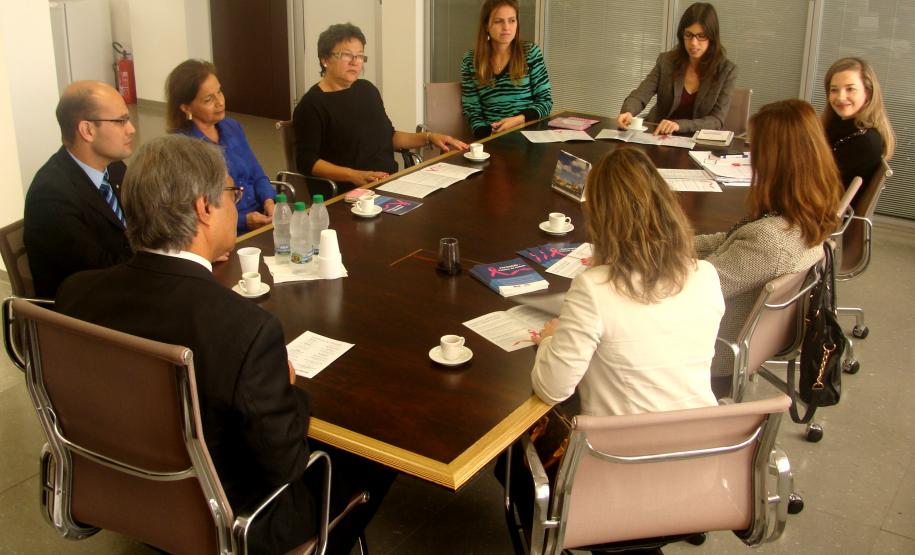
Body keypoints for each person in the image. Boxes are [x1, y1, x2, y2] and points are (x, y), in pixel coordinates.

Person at [55, 135, 393, 555]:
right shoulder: (245, 330)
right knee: (377, 454)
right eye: (232, 193)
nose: (236, 203)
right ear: (204, 208)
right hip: (236, 520)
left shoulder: (76, 294)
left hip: (119, 492)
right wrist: (287, 389)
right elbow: (285, 463)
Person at [531, 147, 724, 416]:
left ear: (600, 218)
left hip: (621, 442)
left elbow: (552, 390)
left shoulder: (593, 289)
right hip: (700, 435)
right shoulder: (706, 275)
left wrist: (550, 340)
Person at [696, 99, 842, 396]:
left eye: (756, 149)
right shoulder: (805, 214)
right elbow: (728, 241)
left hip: (712, 350)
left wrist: (636, 260)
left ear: (775, 160)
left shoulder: (769, 241)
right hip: (752, 339)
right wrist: (667, 244)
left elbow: (691, 289)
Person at [293, 23, 466, 192]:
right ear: (324, 59)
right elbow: (306, 161)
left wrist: (429, 137)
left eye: (360, 56)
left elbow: (388, 136)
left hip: (389, 183)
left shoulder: (367, 89)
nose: (355, 62)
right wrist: (354, 175)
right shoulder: (311, 104)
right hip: (349, 192)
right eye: (346, 55)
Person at [23, 80, 135, 298]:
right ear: (87, 130)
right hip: (85, 307)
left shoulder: (115, 168)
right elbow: (99, 272)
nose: (131, 129)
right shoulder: (51, 196)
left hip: (122, 287)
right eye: (121, 121)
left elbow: (145, 223)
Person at [165, 59, 275, 234]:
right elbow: (197, 211)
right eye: (209, 99)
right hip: (226, 231)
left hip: (262, 216)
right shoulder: (182, 147)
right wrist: (243, 221)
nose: (220, 102)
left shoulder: (232, 127)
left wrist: (269, 201)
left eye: (219, 92)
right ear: (186, 108)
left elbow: (257, 174)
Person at [617, 2, 737, 136]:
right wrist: (628, 111)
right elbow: (641, 94)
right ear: (682, 35)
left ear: (712, 37)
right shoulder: (666, 61)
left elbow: (716, 120)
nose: (693, 43)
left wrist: (679, 125)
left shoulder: (726, 71)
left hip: (696, 140)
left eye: (701, 36)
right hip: (658, 135)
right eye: (688, 35)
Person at [461, 0, 553, 139]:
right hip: (491, 138)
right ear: (486, 26)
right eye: (498, 21)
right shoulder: (470, 60)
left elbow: (545, 102)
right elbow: (472, 109)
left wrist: (518, 120)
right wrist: (488, 135)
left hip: (529, 136)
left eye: (512, 20)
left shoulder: (531, 53)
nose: (506, 27)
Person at [822, 57, 896, 188]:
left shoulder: (864, 141)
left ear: (868, 92)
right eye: (834, 90)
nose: (840, 97)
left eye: (850, 89)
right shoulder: (839, 128)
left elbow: (820, 183)